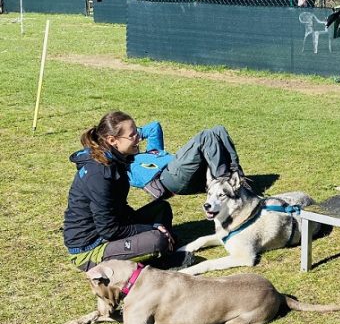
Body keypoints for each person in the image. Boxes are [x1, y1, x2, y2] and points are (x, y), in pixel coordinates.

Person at [63, 111, 242, 271]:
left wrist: (145, 226)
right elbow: (108, 230)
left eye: (137, 132)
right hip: (91, 248)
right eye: (132, 135)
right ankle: (161, 256)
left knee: (161, 208)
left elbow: (117, 207)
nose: (138, 138)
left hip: (113, 227)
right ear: (112, 141)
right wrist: (151, 228)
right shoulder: (99, 174)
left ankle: (161, 248)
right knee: (157, 240)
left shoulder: (117, 161)